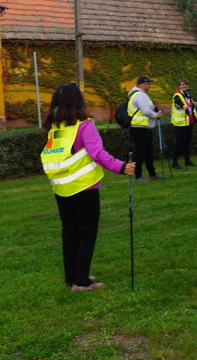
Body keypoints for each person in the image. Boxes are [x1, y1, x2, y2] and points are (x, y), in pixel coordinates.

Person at [42, 83, 135, 291]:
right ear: (79, 101)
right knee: (86, 233)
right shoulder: (84, 124)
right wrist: (121, 167)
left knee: (69, 233)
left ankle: (73, 276)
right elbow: (98, 153)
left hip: (61, 188)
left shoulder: (55, 126)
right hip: (84, 188)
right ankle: (81, 281)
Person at [126, 76, 163, 182]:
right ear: (142, 84)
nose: (149, 86)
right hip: (140, 127)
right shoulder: (140, 95)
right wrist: (156, 115)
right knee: (141, 152)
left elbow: (147, 109)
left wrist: (155, 110)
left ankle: (152, 173)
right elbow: (146, 111)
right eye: (148, 84)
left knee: (148, 152)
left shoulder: (141, 95)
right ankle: (138, 175)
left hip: (143, 126)